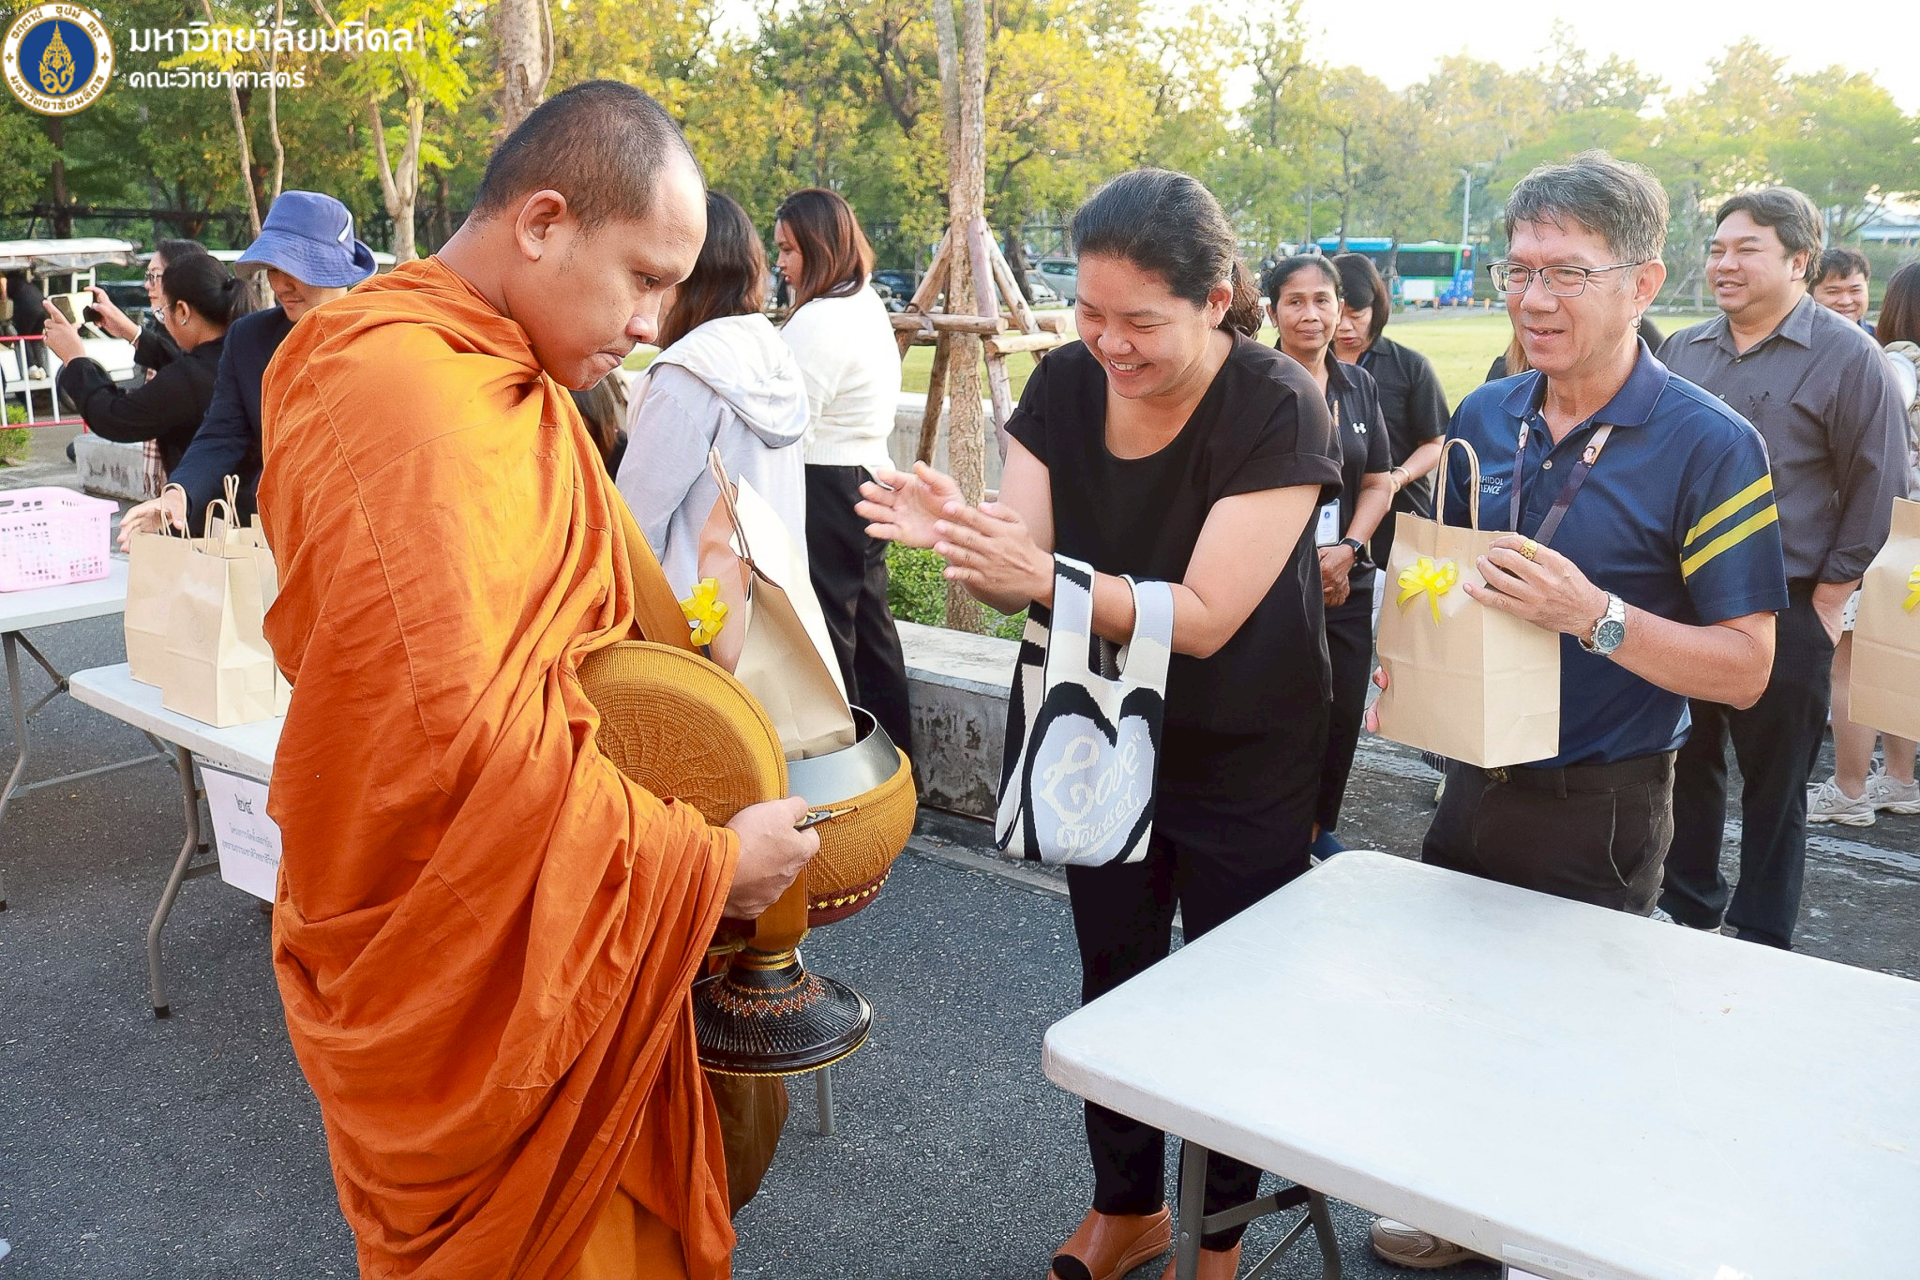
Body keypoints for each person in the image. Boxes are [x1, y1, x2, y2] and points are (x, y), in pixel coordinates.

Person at [253, 82, 818, 1280]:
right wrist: (709, 865)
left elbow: (571, 658)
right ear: (544, 222)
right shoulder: (411, 395)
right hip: (474, 950)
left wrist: (704, 635)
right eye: (644, 279)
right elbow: (447, 756)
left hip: (554, 935)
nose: (654, 324)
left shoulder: (504, 381)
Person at [860, 168, 1339, 1280]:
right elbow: (1018, 564)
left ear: (1215, 299)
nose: (1109, 342)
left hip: (1246, 745)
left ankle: (1216, 1236)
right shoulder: (1067, 382)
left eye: (1141, 322)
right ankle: (1127, 1206)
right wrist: (967, 535)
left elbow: (1208, 616)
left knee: (1230, 993)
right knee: (1113, 974)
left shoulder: (1276, 402)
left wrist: (1045, 575)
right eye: (1088, 311)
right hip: (1097, 726)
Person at [1364, 152, 1787, 1270]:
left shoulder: (1711, 443)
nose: (1534, 299)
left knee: (1572, 1047)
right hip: (1471, 775)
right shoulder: (1488, 412)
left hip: (1603, 798)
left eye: (1566, 273)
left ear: (1643, 283)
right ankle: (1463, 1209)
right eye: (1519, 271)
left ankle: (1548, 1241)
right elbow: (1450, 579)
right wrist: (1407, 663)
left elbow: (1747, 668)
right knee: (1458, 1011)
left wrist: (1594, 616)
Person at [1658, 187, 1909, 950]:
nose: (1723, 264)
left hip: (1789, 602)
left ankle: (1763, 933)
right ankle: (1688, 907)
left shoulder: (1848, 356)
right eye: (1716, 249)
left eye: (1747, 249)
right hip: (1684, 601)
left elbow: (1880, 486)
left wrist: (1830, 599)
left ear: (1799, 261)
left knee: (1776, 788)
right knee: (1685, 761)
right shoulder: (1683, 351)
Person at [116, 191, 375, 544]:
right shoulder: (249, 339)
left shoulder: (383, 336)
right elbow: (221, 433)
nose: (280, 284)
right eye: (273, 269)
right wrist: (178, 495)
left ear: (336, 267)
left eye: (295, 268)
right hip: (274, 537)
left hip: (364, 532)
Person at [773, 187, 913, 756]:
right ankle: (894, 764)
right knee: (870, 633)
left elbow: (789, 421)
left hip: (827, 482)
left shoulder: (822, 318)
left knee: (832, 638)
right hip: (861, 477)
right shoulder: (862, 302)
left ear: (818, 246)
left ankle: (854, 769)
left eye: (788, 249)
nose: (780, 263)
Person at [617, 190, 808, 595]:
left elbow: (635, 527)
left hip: (693, 613)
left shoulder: (687, 375)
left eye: (652, 277)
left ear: (689, 274)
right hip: (768, 605)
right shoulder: (773, 351)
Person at [1268, 254, 1392, 857]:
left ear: (1341, 309)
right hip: (1267, 582)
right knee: (1277, 710)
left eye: (1322, 300)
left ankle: (1316, 831)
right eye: (1294, 301)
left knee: (1340, 713)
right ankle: (1268, 830)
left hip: (1346, 579)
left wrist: (1348, 549)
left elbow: (1378, 482)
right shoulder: (1252, 383)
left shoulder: (1358, 385)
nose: (1310, 314)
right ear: (1273, 312)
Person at [1808, 260, 1920, 825]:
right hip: (1914, 535)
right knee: (1903, 658)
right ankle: (1899, 779)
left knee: (1851, 664)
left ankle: (1849, 789)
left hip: (1889, 529)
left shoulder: (1897, 362)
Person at [44, 253, 247, 474]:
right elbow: (179, 364)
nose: (148, 286)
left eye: (162, 311)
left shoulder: (193, 378)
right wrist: (132, 332)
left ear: (182, 311)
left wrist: (74, 358)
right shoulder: (245, 349)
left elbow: (115, 417)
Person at [1329, 252, 1445, 571]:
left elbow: (1435, 443)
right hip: (1328, 515)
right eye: (1338, 313)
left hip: (1400, 512)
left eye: (1357, 315)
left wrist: (1396, 479)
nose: (1345, 326)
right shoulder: (1306, 366)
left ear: (1376, 309)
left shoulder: (1410, 366)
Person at [85, 238, 211, 375]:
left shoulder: (210, 335)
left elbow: (182, 367)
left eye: (154, 276)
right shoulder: (162, 324)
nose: (147, 285)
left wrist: (130, 331)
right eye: (147, 276)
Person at [1811, 246, 1874, 336]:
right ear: (1810, 292)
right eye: (1833, 292)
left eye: (1855, 290)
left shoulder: (1880, 340)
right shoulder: (1795, 340)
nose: (1845, 301)